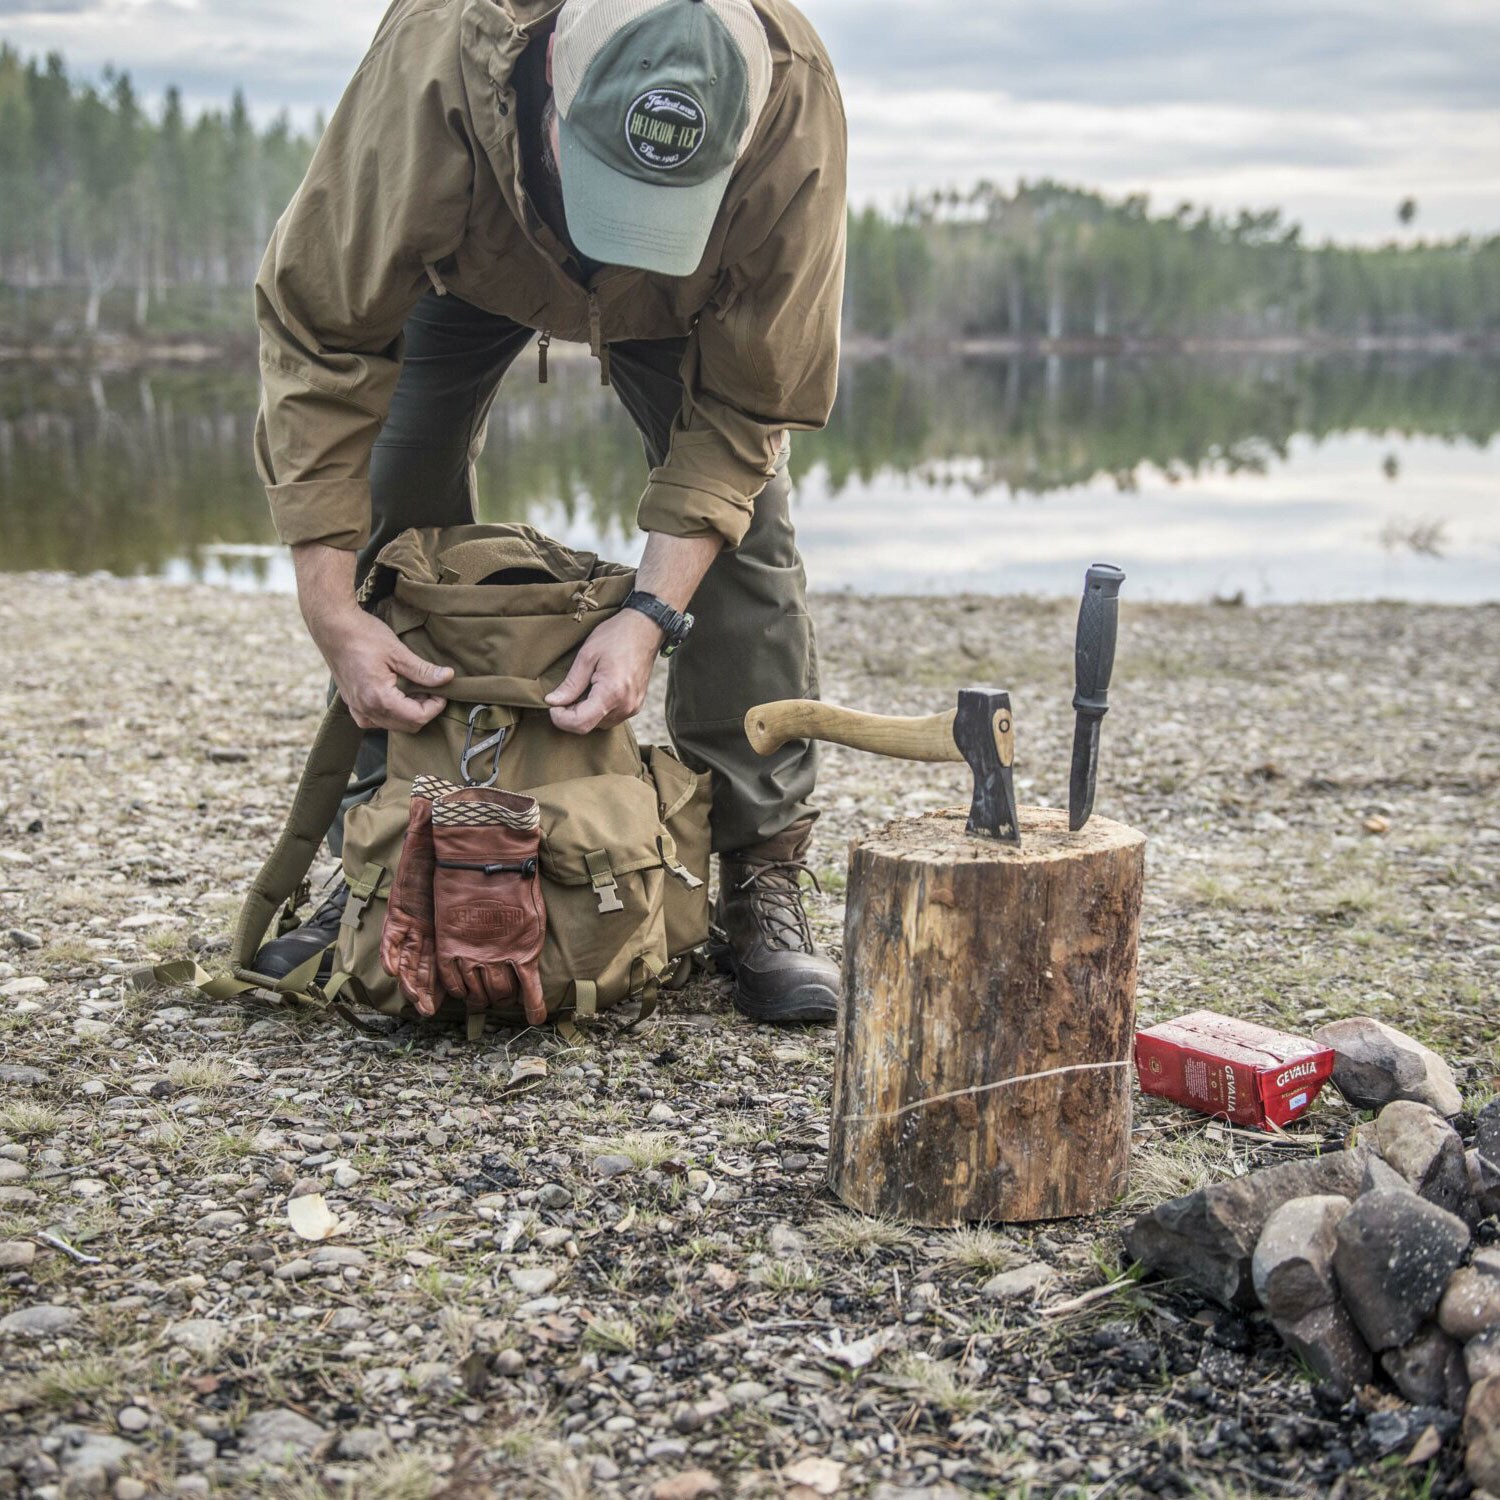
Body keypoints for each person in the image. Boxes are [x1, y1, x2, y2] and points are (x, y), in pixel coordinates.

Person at [249, 0, 847, 1023]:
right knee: (394, 509)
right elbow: (324, 334)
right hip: (471, 255)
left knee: (745, 537)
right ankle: (387, 841)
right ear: (548, 88)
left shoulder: (793, 113)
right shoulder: (436, 59)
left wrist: (648, 616)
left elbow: (749, 403)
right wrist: (330, 609)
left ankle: (757, 872)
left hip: (684, 298)